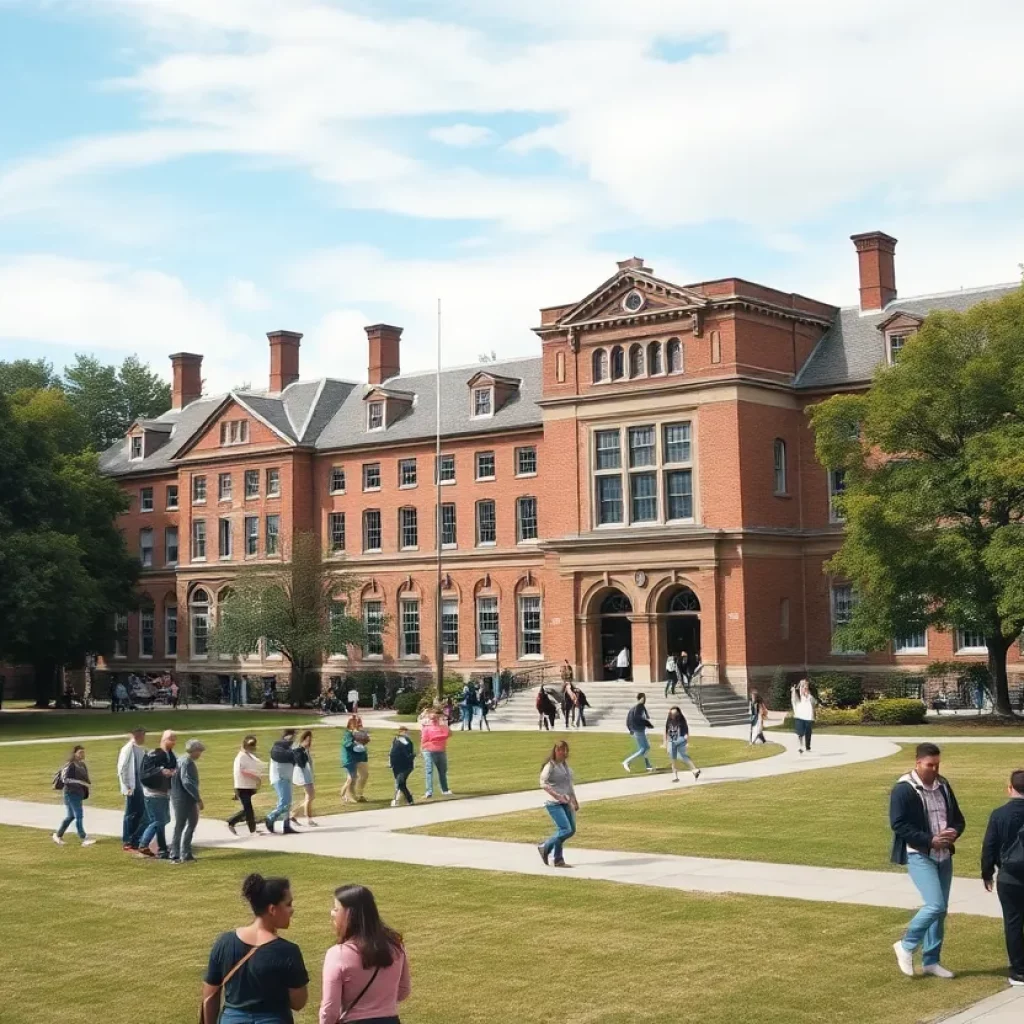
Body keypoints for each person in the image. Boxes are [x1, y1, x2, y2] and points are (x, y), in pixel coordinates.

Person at [889, 742, 966, 979]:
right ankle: (906, 945)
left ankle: (931, 961)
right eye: (929, 765)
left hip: (944, 854)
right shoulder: (904, 789)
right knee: (935, 905)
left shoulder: (943, 785)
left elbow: (958, 819)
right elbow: (899, 824)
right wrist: (930, 840)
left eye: (937, 764)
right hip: (919, 854)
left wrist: (953, 832)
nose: (934, 769)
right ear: (917, 762)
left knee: (940, 912)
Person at [201, 873, 309, 1024]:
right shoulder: (288, 951)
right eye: (288, 904)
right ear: (272, 909)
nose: (292, 910)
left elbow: (209, 997)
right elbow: (298, 1003)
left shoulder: (224, 942)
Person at [319, 884, 411, 1024]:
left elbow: (330, 1009)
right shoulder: (396, 946)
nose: (332, 913)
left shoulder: (338, 954)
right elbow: (403, 991)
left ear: (349, 914)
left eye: (336, 909)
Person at [981, 768, 1024, 987]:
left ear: (1010, 788)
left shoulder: (999, 814)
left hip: (1009, 877)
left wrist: (987, 872)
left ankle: (1018, 970)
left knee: (1013, 921)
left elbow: (989, 846)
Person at [137, 730, 178, 858]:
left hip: (164, 793)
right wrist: (162, 771)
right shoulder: (153, 755)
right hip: (153, 794)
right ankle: (143, 844)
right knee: (159, 821)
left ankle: (162, 848)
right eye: (171, 739)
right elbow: (146, 773)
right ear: (164, 739)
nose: (173, 741)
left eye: (174, 739)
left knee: (164, 820)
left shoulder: (171, 756)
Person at [537, 741, 578, 868]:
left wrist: (574, 800)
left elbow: (568, 785)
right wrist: (557, 796)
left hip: (566, 801)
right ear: (555, 751)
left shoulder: (564, 766)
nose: (564, 753)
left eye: (566, 750)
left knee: (571, 831)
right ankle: (545, 846)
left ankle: (558, 860)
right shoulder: (550, 766)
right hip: (553, 803)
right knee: (565, 829)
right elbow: (543, 783)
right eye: (561, 750)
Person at [52, 745, 96, 846]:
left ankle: (58, 835)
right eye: (80, 752)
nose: (82, 754)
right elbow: (65, 779)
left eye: (83, 752)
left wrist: (87, 784)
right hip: (71, 793)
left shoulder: (82, 765)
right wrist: (80, 782)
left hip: (78, 793)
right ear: (74, 753)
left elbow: (86, 779)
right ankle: (84, 838)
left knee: (71, 816)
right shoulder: (70, 765)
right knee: (79, 815)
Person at [170, 737, 205, 863]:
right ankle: (178, 854)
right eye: (199, 751)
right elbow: (187, 782)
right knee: (184, 825)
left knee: (187, 824)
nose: (200, 754)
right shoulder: (187, 762)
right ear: (194, 750)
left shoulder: (181, 760)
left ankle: (183, 853)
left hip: (181, 797)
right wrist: (198, 798)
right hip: (184, 799)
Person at [117, 725, 149, 851]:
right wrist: (127, 786)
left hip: (140, 786)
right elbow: (123, 768)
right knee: (131, 813)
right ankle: (127, 840)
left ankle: (135, 838)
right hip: (132, 787)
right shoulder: (128, 749)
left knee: (140, 813)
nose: (144, 738)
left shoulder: (140, 749)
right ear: (137, 736)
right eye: (143, 735)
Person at [228, 735, 265, 835]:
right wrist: (256, 778)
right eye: (251, 746)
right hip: (242, 787)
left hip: (248, 787)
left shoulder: (248, 755)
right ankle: (233, 823)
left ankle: (238, 824)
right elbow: (243, 771)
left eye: (254, 745)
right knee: (248, 810)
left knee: (247, 810)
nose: (254, 747)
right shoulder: (241, 757)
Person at [266, 729, 299, 834]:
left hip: (287, 778)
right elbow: (287, 756)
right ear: (286, 736)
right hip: (280, 778)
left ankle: (286, 826)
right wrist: (295, 751)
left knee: (287, 803)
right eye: (292, 736)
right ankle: (270, 818)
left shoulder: (289, 748)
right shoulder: (278, 748)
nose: (294, 738)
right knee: (285, 803)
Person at [418, 708, 453, 798]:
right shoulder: (427, 727)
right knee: (429, 770)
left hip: (441, 750)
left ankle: (444, 789)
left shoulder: (442, 726)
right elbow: (425, 738)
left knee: (443, 770)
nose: (434, 718)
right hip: (428, 750)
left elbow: (448, 734)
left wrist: (444, 724)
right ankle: (429, 791)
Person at [663, 706, 701, 782]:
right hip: (672, 741)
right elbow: (666, 731)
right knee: (677, 757)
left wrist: (686, 741)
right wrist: (665, 741)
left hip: (678, 740)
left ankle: (691, 771)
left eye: (675, 713)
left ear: (678, 713)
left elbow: (686, 732)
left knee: (677, 758)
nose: (673, 715)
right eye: (672, 713)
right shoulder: (669, 720)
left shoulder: (681, 721)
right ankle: (693, 770)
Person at [340, 716, 370, 804]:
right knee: (352, 778)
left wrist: (365, 739)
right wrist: (355, 745)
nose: (358, 723)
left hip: (361, 758)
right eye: (355, 721)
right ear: (350, 723)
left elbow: (366, 740)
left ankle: (359, 794)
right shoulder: (348, 733)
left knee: (364, 775)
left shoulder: (361, 731)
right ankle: (348, 796)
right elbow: (347, 744)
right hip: (351, 758)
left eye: (358, 721)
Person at [622, 693, 655, 773]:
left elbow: (629, 719)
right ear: (640, 698)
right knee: (643, 749)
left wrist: (631, 729)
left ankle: (648, 765)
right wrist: (648, 724)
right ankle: (627, 761)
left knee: (646, 747)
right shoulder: (638, 707)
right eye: (643, 698)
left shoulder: (638, 708)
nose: (645, 700)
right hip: (639, 730)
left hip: (640, 730)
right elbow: (637, 718)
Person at [290, 731, 317, 827]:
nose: (308, 742)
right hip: (302, 776)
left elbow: (309, 764)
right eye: (307, 740)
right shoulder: (298, 750)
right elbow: (300, 763)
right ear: (303, 739)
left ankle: (294, 815)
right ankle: (308, 819)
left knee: (310, 797)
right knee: (310, 796)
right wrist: (303, 750)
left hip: (307, 775)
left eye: (310, 740)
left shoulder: (305, 750)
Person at [389, 726, 416, 806]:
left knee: (400, 782)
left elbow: (409, 753)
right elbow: (392, 753)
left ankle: (406, 799)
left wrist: (411, 757)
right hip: (396, 765)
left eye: (406, 732)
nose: (405, 733)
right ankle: (406, 799)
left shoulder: (408, 742)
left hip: (406, 765)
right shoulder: (396, 741)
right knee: (401, 783)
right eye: (404, 732)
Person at [791, 678, 818, 754]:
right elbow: (793, 701)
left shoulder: (809, 696)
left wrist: (808, 696)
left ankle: (808, 747)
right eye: (803, 687)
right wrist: (793, 692)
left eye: (806, 687)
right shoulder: (797, 696)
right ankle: (800, 746)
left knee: (808, 732)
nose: (804, 688)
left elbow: (815, 702)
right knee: (800, 733)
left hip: (808, 717)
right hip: (799, 717)